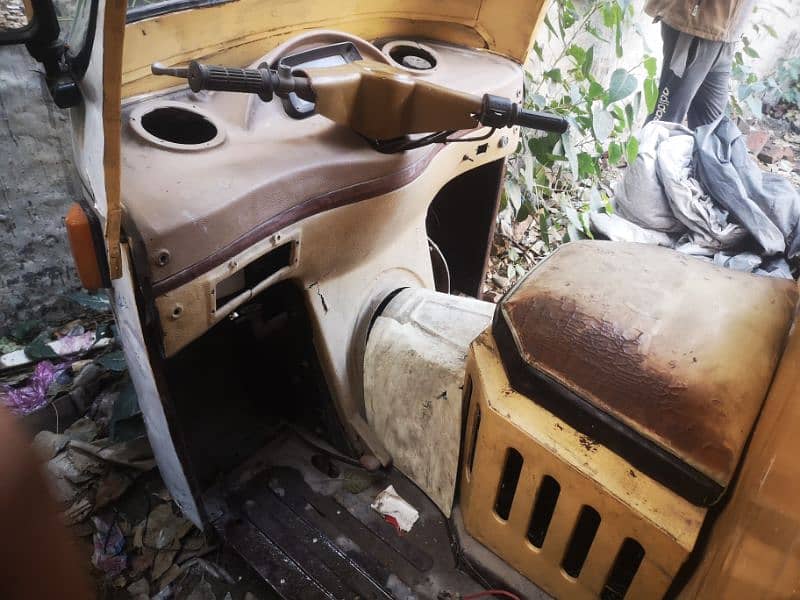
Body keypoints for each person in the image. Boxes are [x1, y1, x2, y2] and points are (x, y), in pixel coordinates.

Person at [645, 0, 755, 128]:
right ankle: (647, 146)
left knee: (711, 128)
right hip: (695, 26)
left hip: (726, 35)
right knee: (665, 121)